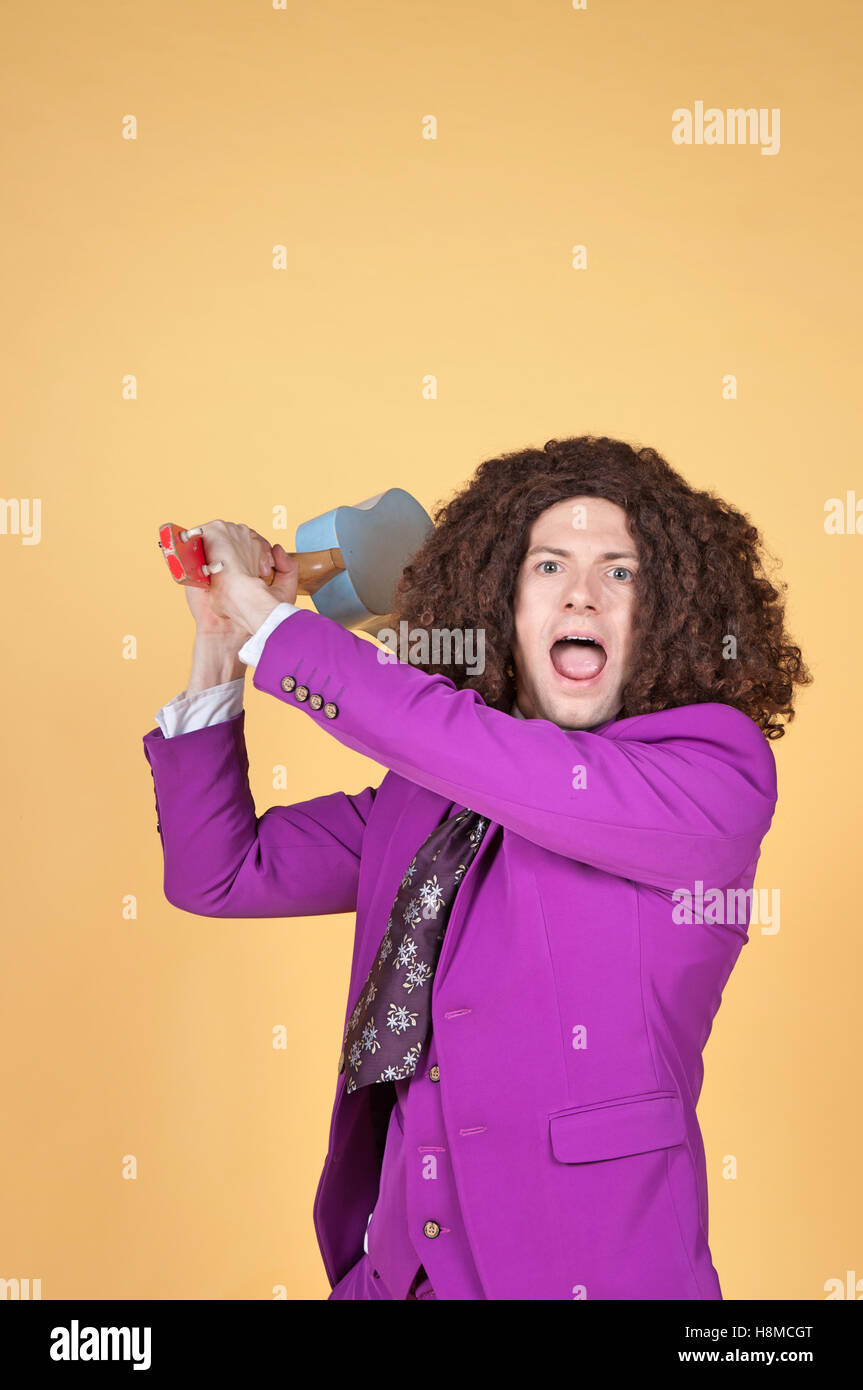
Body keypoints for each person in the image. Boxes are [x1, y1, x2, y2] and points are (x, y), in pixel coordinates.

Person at [142, 435, 811, 1300]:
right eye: (546, 567)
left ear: (671, 610)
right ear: (502, 603)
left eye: (621, 572)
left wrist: (281, 632)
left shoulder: (710, 776)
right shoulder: (429, 797)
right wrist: (221, 643)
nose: (580, 592)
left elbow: (481, 751)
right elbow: (220, 873)